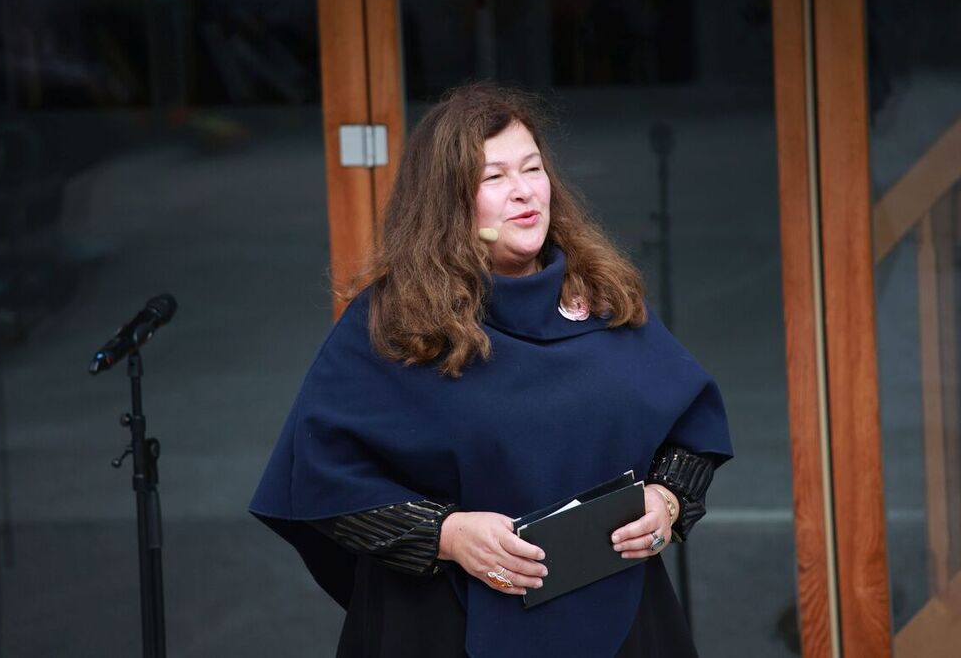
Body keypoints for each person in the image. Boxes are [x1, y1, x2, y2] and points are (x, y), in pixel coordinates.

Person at [250, 83, 732, 657]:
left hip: (619, 615)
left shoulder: (603, 298)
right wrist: (447, 535)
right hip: (441, 628)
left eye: (532, 168)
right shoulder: (394, 323)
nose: (524, 191)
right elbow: (321, 482)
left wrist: (665, 500)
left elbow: (691, 432)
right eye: (494, 177)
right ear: (447, 201)